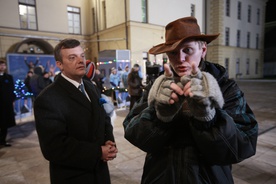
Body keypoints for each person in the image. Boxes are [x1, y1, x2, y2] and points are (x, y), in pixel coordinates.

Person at [123, 17, 258, 183]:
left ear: (203, 50)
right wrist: (159, 116)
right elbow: (132, 132)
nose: (180, 59)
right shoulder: (157, 86)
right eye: (173, 52)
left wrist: (209, 119)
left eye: (187, 50)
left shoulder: (225, 87)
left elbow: (244, 145)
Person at [34, 38, 117, 184]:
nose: (80, 61)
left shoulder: (90, 87)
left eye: (82, 56)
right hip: (74, 176)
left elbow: (103, 118)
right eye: (72, 57)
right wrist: (98, 152)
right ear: (60, 64)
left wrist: (109, 140)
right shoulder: (47, 98)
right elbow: (54, 147)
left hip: (100, 172)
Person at [0, 59, 16, 147]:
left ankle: (2, 140)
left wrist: (12, 100)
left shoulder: (9, 77)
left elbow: (11, 90)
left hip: (6, 104)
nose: (2, 67)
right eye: (1, 65)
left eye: (3, 65)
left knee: (4, 122)